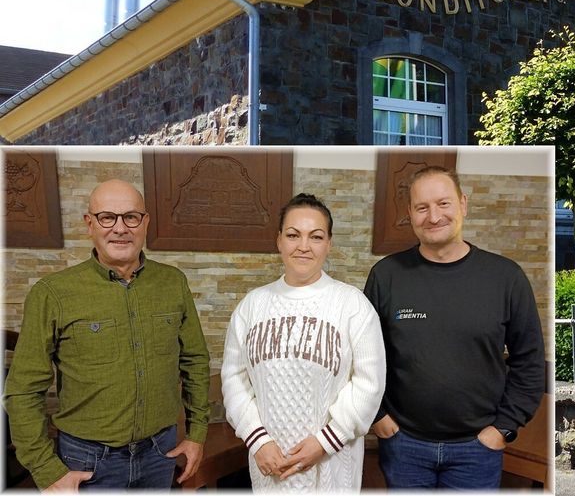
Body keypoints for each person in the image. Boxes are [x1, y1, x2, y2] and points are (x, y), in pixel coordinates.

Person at [3, 179, 210, 490]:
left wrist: (196, 434)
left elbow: (195, 361)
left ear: (145, 222)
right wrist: (46, 469)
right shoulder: (53, 293)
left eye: (131, 217)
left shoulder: (173, 283)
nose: (120, 228)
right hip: (86, 461)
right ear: (90, 224)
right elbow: (22, 391)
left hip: (160, 453)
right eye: (107, 217)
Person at [365, 165, 546, 490]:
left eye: (443, 203)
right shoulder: (386, 276)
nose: (433, 216)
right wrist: (378, 417)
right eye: (422, 207)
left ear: (463, 203)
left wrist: (502, 428)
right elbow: (363, 357)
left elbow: (530, 363)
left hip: (477, 449)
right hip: (404, 445)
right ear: (410, 213)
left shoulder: (506, 278)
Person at [221, 193, 385, 491]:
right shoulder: (252, 305)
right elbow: (234, 380)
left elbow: (369, 385)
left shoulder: (353, 305)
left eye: (316, 236)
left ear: (329, 244)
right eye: (294, 235)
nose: (304, 246)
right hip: (269, 464)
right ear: (279, 240)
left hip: (332, 467)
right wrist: (257, 439)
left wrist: (325, 441)